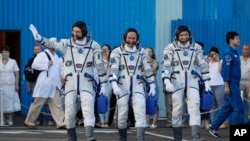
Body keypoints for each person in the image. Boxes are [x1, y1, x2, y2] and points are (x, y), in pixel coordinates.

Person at [29, 21, 107, 141]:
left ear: (84, 32)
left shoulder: (94, 46)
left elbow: (100, 64)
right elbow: (51, 44)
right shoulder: (66, 44)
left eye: (78, 32)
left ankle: (90, 136)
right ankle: (71, 137)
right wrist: (38, 38)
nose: (74, 34)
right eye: (73, 31)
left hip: (87, 82)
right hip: (70, 83)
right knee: (69, 110)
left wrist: (103, 84)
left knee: (88, 108)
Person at [162, 25, 210, 141]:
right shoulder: (170, 48)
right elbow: (166, 66)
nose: (184, 37)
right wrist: (166, 80)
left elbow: (202, 64)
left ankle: (196, 136)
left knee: (195, 106)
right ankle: (177, 137)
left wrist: (207, 81)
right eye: (182, 35)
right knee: (177, 109)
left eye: (186, 35)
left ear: (190, 35)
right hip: (176, 81)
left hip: (192, 80)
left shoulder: (196, 47)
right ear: (177, 36)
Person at [109, 28, 156, 141]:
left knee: (140, 110)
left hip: (138, 84)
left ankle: (140, 138)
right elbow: (113, 70)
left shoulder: (142, 52)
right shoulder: (117, 52)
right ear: (125, 38)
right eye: (129, 38)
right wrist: (114, 85)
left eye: (133, 38)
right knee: (122, 113)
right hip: (122, 85)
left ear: (137, 38)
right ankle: (122, 138)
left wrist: (152, 85)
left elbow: (148, 69)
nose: (131, 40)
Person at [208, 31, 245, 138]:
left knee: (228, 108)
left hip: (235, 83)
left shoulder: (235, 52)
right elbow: (225, 71)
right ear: (231, 40)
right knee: (239, 108)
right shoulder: (228, 53)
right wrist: (227, 85)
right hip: (231, 83)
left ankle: (213, 126)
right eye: (237, 38)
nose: (239, 40)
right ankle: (241, 133)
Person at [24, 46, 65, 129]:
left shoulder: (56, 56)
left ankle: (61, 123)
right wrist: (46, 64)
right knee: (38, 103)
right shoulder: (42, 54)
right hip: (44, 83)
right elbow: (34, 65)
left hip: (54, 84)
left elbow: (58, 70)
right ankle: (29, 121)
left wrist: (60, 82)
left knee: (57, 104)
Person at [0, 46, 21, 125]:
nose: (5, 54)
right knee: (2, 102)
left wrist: (16, 84)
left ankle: (10, 119)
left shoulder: (13, 61)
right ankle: (2, 119)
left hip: (10, 85)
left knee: (10, 102)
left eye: (7, 52)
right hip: (1, 85)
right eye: (4, 52)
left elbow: (17, 73)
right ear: (1, 53)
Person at [207, 46, 226, 129]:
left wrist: (217, 60)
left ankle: (223, 122)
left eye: (214, 54)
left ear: (217, 54)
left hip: (219, 85)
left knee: (221, 104)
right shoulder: (208, 62)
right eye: (211, 54)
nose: (213, 56)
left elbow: (220, 71)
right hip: (210, 85)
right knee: (212, 105)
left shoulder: (221, 61)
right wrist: (208, 61)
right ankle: (214, 122)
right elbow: (205, 71)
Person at [144, 46, 159, 129]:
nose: (148, 53)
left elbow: (151, 71)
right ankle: (147, 122)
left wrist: (143, 73)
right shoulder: (142, 62)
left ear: (152, 53)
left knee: (153, 103)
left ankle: (154, 122)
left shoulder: (155, 62)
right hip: (145, 85)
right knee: (146, 104)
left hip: (154, 85)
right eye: (146, 51)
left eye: (150, 51)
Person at [98, 44, 112, 128]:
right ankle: (101, 121)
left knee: (107, 102)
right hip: (100, 83)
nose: (104, 51)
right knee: (101, 102)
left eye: (106, 50)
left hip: (109, 84)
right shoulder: (98, 61)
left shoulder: (111, 62)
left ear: (109, 51)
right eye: (103, 50)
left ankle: (106, 121)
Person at [239, 43, 250, 122]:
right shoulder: (239, 59)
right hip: (239, 83)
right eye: (244, 49)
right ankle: (243, 121)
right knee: (240, 104)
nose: (245, 51)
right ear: (242, 50)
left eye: (247, 49)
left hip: (249, 83)